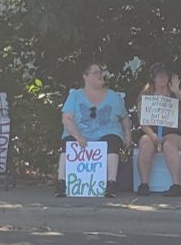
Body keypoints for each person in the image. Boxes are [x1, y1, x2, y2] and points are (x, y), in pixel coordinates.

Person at [55, 61, 133, 198]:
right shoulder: (75, 95)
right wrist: (78, 137)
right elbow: (67, 119)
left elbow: (125, 117)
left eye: (101, 72)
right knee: (68, 143)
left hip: (107, 132)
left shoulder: (113, 96)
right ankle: (61, 182)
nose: (100, 75)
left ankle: (111, 183)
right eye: (96, 72)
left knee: (112, 142)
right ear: (85, 76)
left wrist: (128, 134)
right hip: (80, 133)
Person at [136, 62, 181, 197]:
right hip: (151, 131)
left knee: (169, 144)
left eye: (164, 75)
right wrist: (153, 136)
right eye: (158, 75)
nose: (162, 78)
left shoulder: (174, 92)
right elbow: (142, 121)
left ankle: (176, 185)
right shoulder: (146, 95)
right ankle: (144, 184)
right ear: (153, 78)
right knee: (146, 144)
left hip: (174, 133)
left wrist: (178, 92)